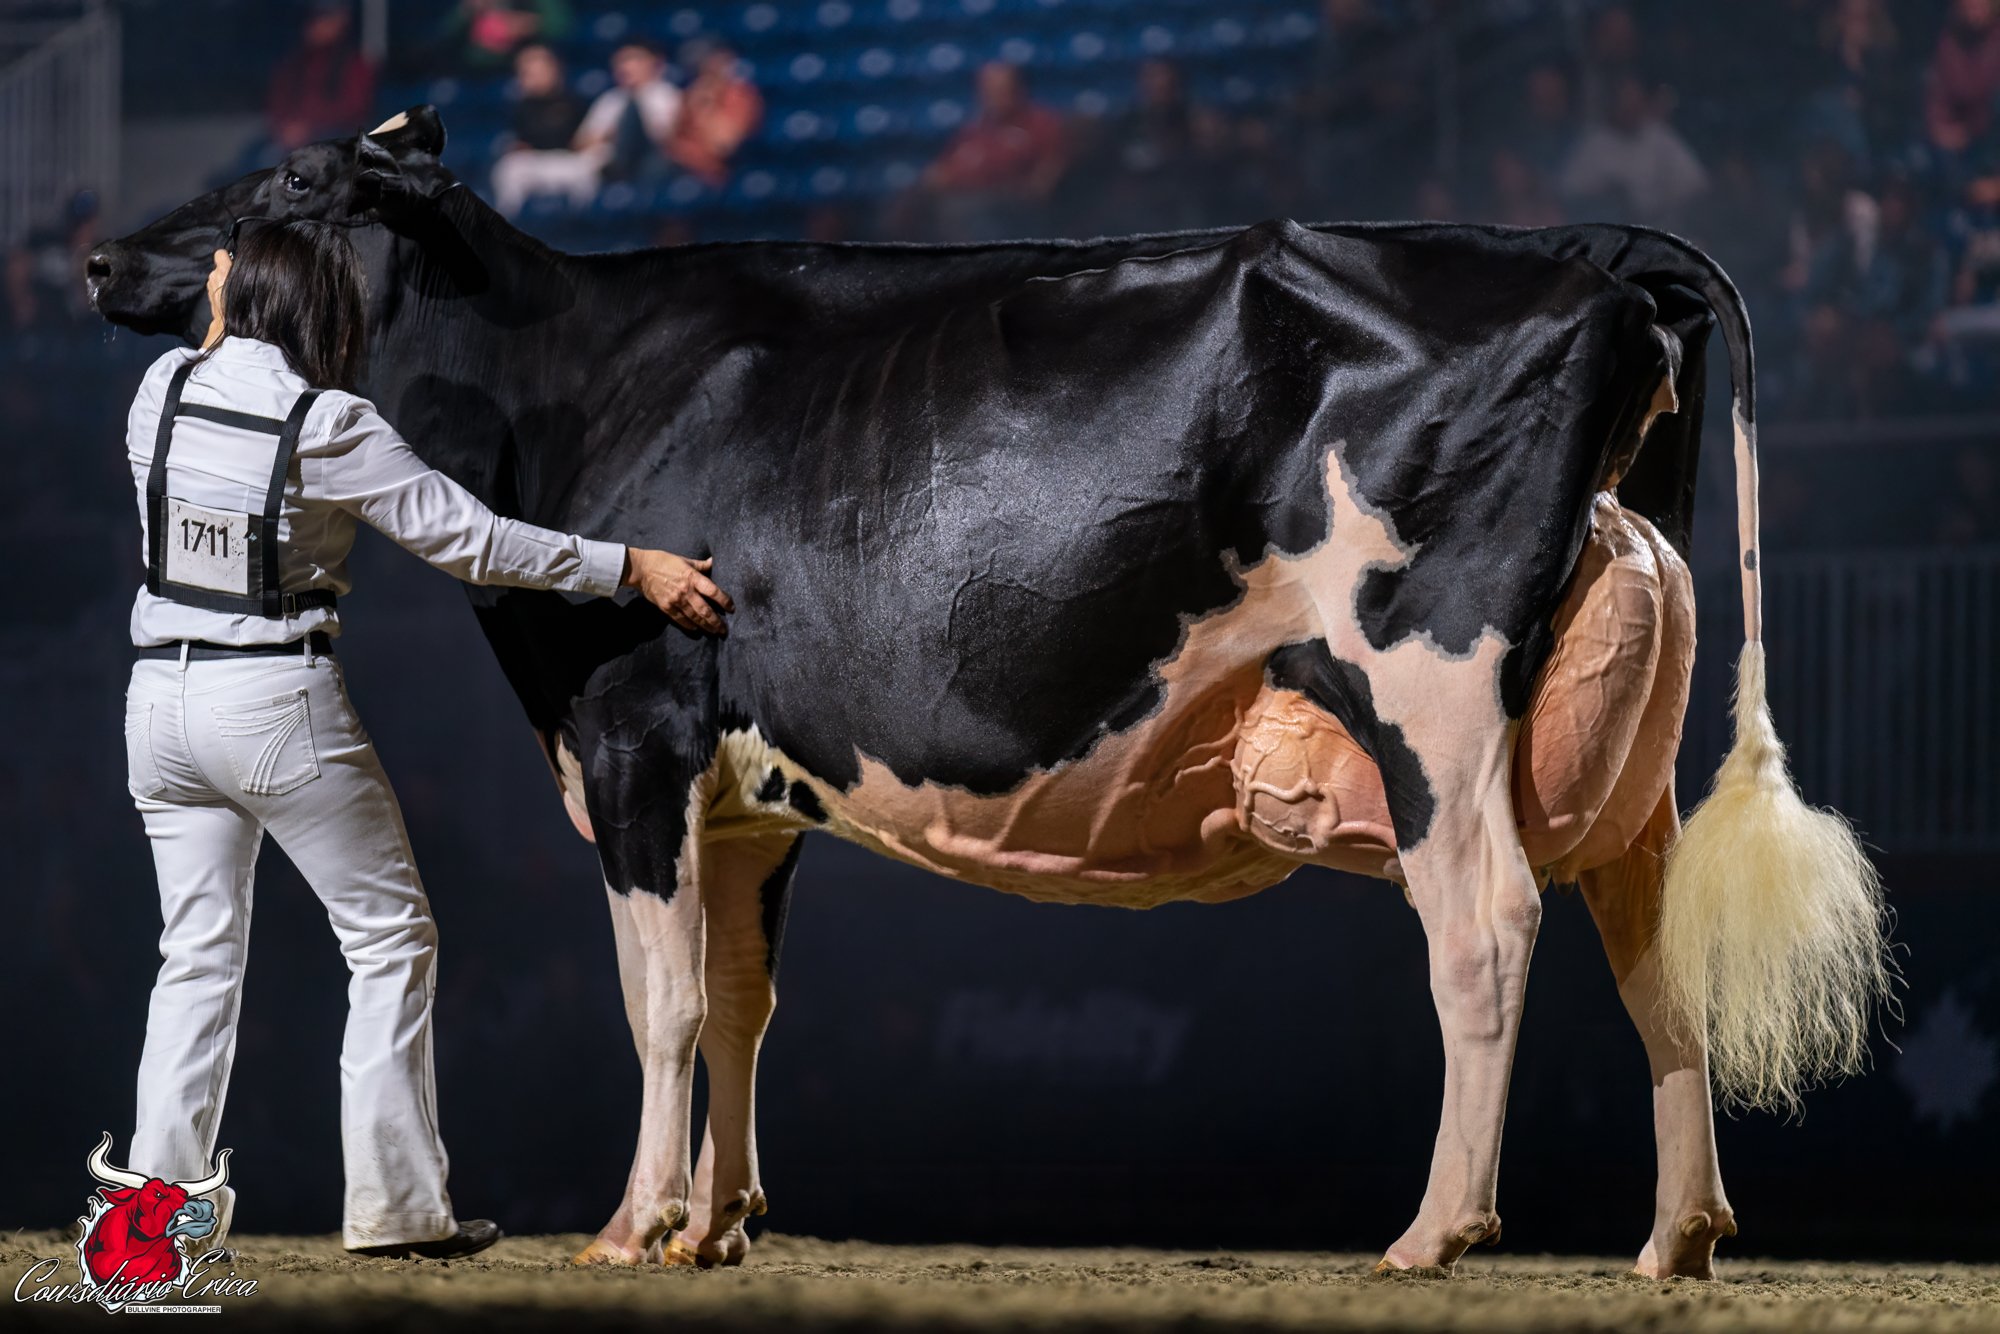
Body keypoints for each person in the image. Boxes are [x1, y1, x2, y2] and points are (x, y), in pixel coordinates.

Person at [122, 220, 731, 1258]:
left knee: (194, 958)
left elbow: (214, 382)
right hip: (271, 696)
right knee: (389, 939)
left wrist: (226, 316)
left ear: (243, 297)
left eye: (220, 274)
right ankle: (396, 1209)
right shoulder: (324, 423)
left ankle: (146, 1233)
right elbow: (475, 540)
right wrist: (628, 564)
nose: (206, 283)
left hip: (156, 708)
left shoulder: (160, 392)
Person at [915, 62, 1067, 240]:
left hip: (1009, 206)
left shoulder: (1042, 124)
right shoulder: (976, 128)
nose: (992, 97)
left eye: (999, 90)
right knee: (915, 202)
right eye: (986, 90)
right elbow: (946, 167)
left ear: (1019, 89)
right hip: (965, 196)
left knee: (956, 210)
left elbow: (1045, 177)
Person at [1559, 75, 1708, 230]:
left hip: (1660, 229)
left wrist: (1666, 198)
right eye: (1624, 101)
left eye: (1634, 101)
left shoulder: (1660, 138)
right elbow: (1568, 187)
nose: (1629, 107)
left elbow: (1695, 182)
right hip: (1610, 230)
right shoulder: (1595, 143)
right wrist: (1606, 190)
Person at [490, 44, 594, 217]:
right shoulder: (519, 106)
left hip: (567, 160)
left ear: (554, 71)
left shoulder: (573, 102)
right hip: (534, 161)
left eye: (539, 72)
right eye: (527, 73)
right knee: (508, 168)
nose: (534, 78)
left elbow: (584, 136)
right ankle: (507, 220)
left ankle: (583, 219)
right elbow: (519, 140)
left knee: (586, 169)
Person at [266, 0, 376, 153]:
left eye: (324, 17)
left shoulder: (356, 65)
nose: (316, 24)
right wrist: (285, 128)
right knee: (255, 155)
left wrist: (309, 128)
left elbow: (353, 111)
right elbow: (277, 103)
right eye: (312, 18)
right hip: (289, 139)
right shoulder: (293, 63)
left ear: (342, 20)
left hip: (336, 141)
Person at [574, 40, 683, 186]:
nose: (626, 66)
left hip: (650, 157)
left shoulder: (667, 94)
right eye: (621, 61)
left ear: (655, 63)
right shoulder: (609, 99)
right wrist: (611, 136)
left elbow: (668, 138)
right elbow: (581, 142)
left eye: (635, 59)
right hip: (608, 160)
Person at [666, 43, 764, 187]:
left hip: (711, 173)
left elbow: (723, 145)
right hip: (677, 164)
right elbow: (670, 140)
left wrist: (705, 108)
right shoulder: (690, 93)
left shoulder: (739, 95)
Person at [433, 0, 574, 75]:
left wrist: (526, 25)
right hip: (473, 70)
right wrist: (466, 11)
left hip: (519, 68)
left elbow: (562, 26)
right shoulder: (472, 5)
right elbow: (447, 35)